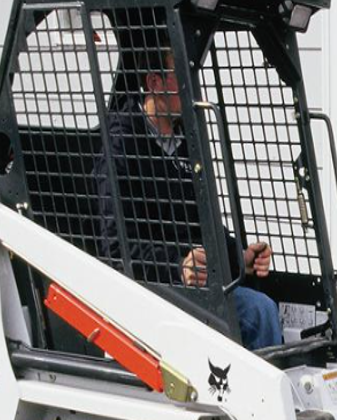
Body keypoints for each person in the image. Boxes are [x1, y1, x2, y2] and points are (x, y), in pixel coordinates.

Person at [94, 48, 282, 351]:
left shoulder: (185, 145)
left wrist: (240, 258)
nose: (193, 91)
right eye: (182, 78)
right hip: (152, 291)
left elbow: (204, 223)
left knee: (270, 300)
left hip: (194, 287)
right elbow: (115, 249)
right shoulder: (120, 147)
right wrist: (177, 266)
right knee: (259, 313)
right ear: (155, 83)